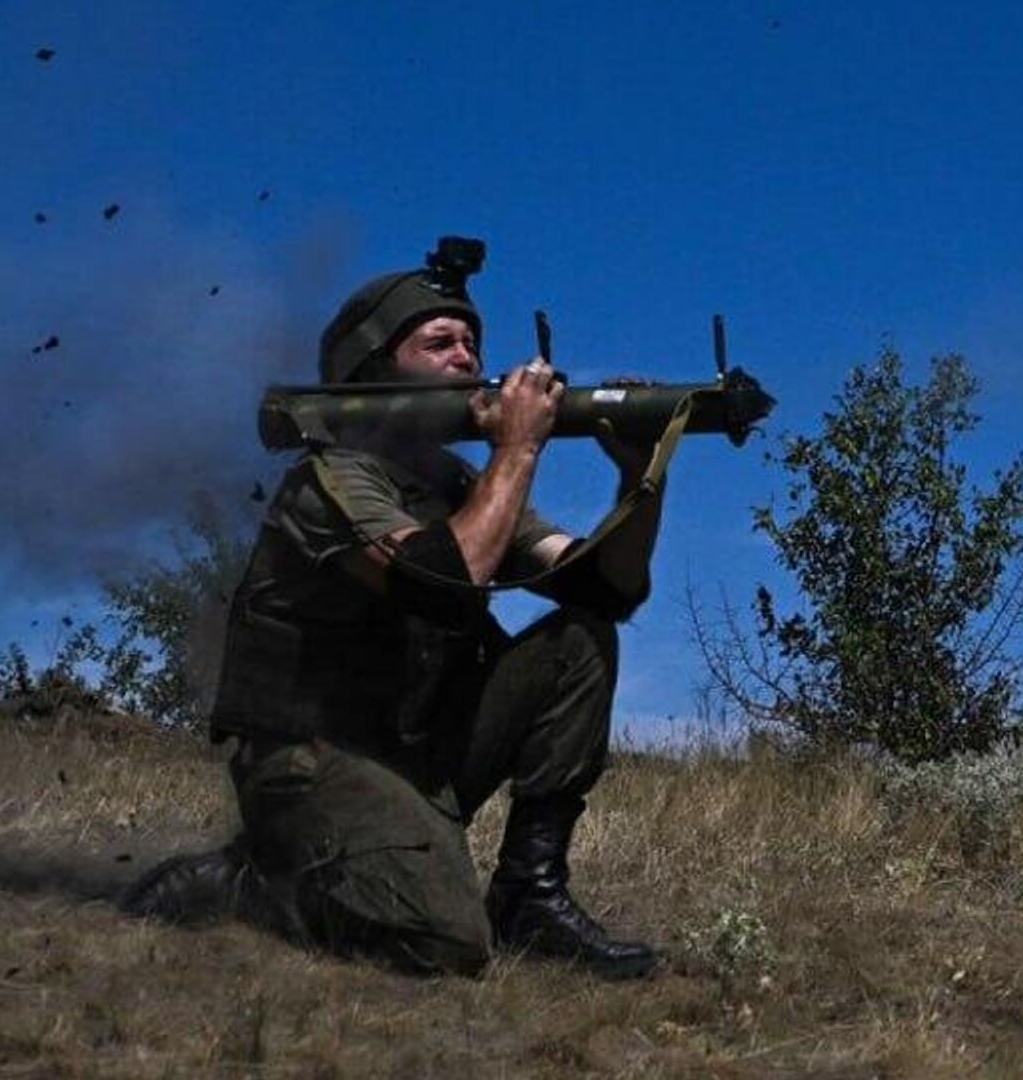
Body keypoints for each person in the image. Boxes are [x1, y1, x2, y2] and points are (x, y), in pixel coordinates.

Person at [121, 241, 671, 979]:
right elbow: (438, 580)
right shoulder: (331, 480)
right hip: (318, 759)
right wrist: (518, 451)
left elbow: (606, 589)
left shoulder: (459, 484)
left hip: (415, 753)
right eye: (438, 342)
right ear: (375, 367)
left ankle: (529, 894)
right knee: (445, 943)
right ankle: (258, 879)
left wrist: (641, 477)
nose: (466, 357)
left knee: (580, 639)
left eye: (470, 342)